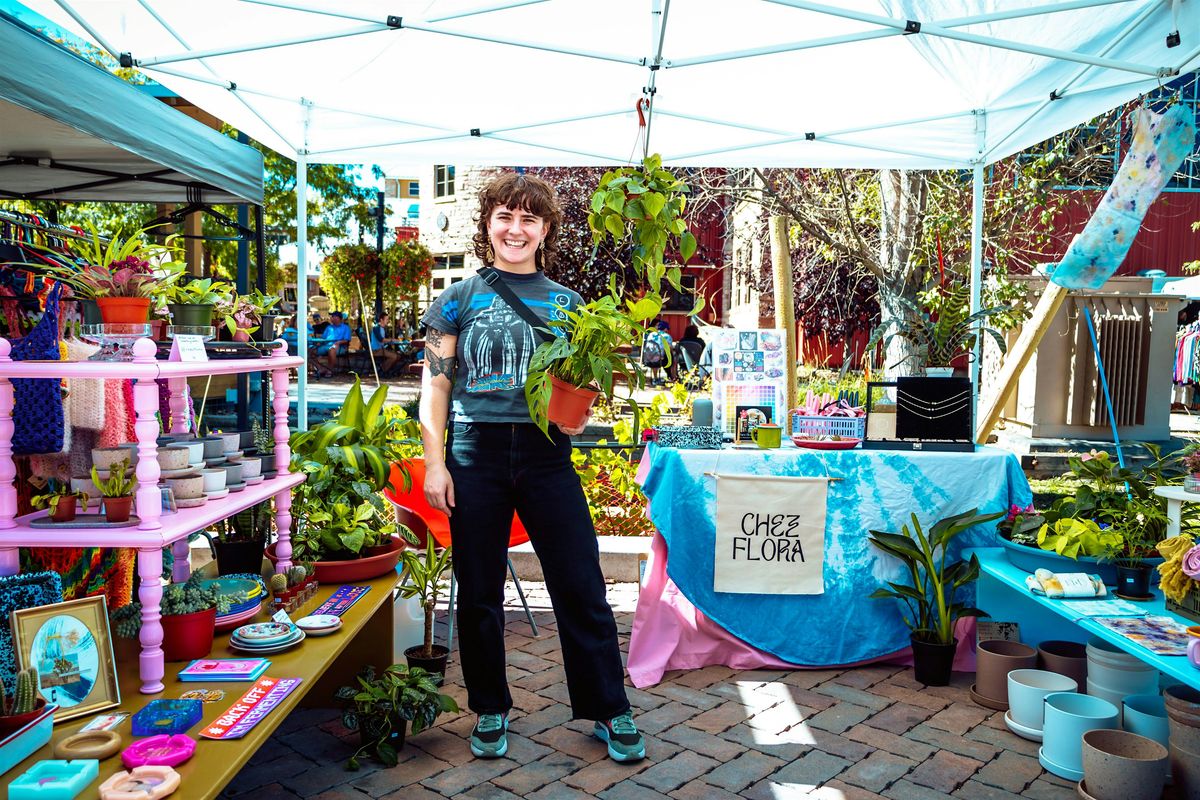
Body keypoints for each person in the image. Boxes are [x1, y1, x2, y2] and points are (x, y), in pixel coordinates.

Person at [419, 172, 645, 763]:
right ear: (488, 224)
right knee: (479, 590)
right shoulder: (456, 300)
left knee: (581, 582)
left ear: (545, 230)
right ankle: (490, 707)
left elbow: (581, 384)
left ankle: (608, 707)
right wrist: (435, 464)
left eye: (529, 220)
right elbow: (436, 391)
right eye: (505, 217)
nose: (515, 230)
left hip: (546, 455)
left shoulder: (569, 305)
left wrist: (577, 417)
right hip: (475, 452)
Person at [315, 311, 351, 377]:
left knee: (332, 349)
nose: (331, 318)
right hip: (326, 345)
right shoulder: (329, 327)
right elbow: (323, 338)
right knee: (310, 351)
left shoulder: (346, 327)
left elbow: (346, 340)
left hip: (340, 347)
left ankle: (329, 370)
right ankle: (321, 368)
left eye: (333, 316)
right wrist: (318, 343)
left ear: (338, 318)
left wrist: (338, 342)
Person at [369, 311, 401, 376]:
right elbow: (381, 339)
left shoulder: (383, 328)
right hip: (376, 350)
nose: (388, 321)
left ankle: (389, 370)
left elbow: (387, 338)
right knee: (394, 357)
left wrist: (393, 340)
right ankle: (382, 370)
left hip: (382, 349)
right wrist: (392, 340)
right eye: (386, 319)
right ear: (381, 320)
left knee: (398, 356)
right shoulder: (376, 328)